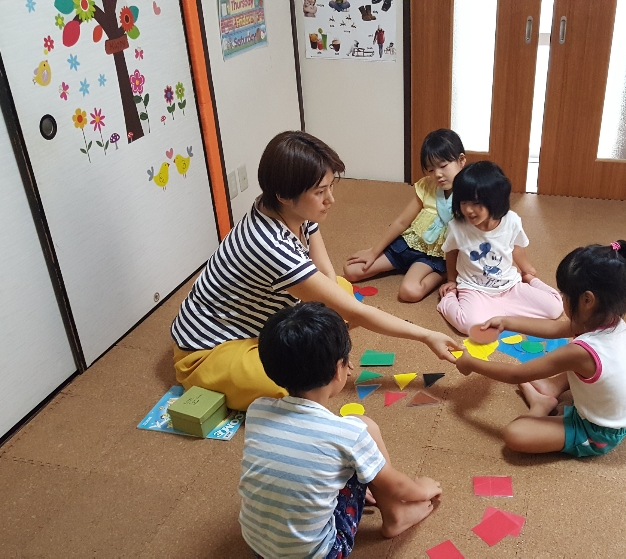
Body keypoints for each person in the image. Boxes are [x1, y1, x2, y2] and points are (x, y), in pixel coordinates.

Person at [170, 131, 459, 411]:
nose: (330, 199)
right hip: (208, 350)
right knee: (298, 384)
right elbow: (356, 313)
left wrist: (332, 340)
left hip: (266, 320)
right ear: (285, 195)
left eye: (330, 187)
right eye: (320, 192)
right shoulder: (271, 246)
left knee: (340, 289)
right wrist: (426, 336)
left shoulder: (291, 211)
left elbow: (328, 277)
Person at [239, 303, 442, 557]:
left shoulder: (257, 410)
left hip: (259, 547)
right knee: (366, 429)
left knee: (341, 456)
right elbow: (396, 486)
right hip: (322, 554)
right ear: (339, 369)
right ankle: (396, 516)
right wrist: (422, 489)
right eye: (347, 361)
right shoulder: (350, 435)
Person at [454, 240, 626, 457]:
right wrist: (506, 322)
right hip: (624, 410)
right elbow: (554, 328)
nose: (562, 299)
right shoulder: (610, 319)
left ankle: (540, 405)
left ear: (587, 300)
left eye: (565, 295)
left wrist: (471, 363)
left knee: (515, 434)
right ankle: (551, 387)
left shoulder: (581, 351)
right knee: (582, 365)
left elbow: (516, 374)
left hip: (599, 432)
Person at [437, 161, 564, 335]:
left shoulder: (512, 221)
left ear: (495, 200)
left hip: (509, 286)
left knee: (555, 308)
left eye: (476, 203)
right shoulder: (457, 227)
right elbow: (451, 253)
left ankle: (525, 286)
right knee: (469, 325)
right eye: (463, 202)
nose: (468, 210)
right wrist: (451, 281)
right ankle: (447, 300)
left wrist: (526, 270)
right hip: (475, 289)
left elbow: (516, 248)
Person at [344, 129, 466, 302]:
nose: (437, 174)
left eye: (443, 166)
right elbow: (402, 222)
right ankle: (403, 264)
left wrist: (453, 276)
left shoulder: (470, 194)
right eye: (431, 170)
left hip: (435, 256)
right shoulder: (427, 186)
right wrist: (373, 252)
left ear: (461, 160)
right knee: (351, 270)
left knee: (409, 292)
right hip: (410, 244)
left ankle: (442, 272)